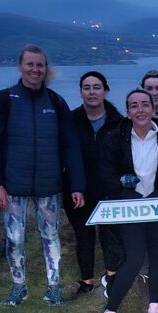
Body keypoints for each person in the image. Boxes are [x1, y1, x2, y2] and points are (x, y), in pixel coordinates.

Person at [0, 44, 85, 307]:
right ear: (20, 66)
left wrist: (76, 184)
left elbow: (70, 145)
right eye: (30, 64)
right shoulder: (6, 99)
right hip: (12, 186)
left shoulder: (55, 102)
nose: (35, 69)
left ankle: (53, 288)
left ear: (45, 68)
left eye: (39, 65)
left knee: (50, 237)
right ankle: (19, 287)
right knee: (15, 238)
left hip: (48, 185)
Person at [96, 89, 158, 313]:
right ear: (128, 110)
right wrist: (126, 191)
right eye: (134, 105)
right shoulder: (115, 137)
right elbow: (106, 173)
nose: (140, 110)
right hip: (129, 205)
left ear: (153, 108)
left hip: (157, 205)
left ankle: (154, 306)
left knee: (157, 256)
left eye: (145, 104)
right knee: (133, 259)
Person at [65, 71, 124, 297]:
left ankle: (112, 277)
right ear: (80, 92)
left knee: (111, 234)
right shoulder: (71, 120)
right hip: (78, 188)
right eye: (87, 87)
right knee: (83, 235)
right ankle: (86, 281)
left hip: (108, 189)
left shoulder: (117, 121)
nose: (92, 92)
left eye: (96, 87)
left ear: (105, 91)